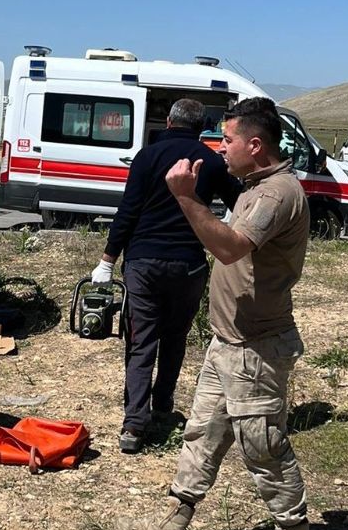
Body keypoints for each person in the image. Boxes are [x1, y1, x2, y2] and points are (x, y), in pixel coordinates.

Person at [118, 97, 313, 530]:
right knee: (201, 433)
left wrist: (185, 197)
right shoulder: (253, 185)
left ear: (256, 144)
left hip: (256, 347)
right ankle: (173, 526)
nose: (219, 149)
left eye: (227, 141)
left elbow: (231, 248)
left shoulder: (275, 193)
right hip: (229, 341)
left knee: (262, 444)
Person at [91, 99, 242, 453]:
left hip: (143, 262)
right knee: (175, 337)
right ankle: (163, 405)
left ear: (170, 121)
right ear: (202, 125)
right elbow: (240, 200)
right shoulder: (211, 162)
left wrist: (107, 260)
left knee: (141, 341)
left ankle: (134, 424)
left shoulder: (147, 157)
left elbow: (127, 210)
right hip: (188, 264)